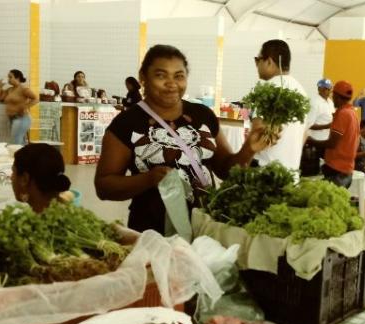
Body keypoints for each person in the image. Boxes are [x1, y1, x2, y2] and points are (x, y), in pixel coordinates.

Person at [95, 44, 272, 234]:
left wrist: (249, 149)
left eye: (179, 76)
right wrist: (147, 179)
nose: (171, 84)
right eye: (161, 75)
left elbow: (225, 170)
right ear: (143, 77)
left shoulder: (202, 115)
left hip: (207, 225)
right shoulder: (127, 123)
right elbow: (104, 186)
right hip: (153, 231)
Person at [252, 39, 307, 170]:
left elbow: (257, 132)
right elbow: (304, 134)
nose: (257, 65)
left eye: (257, 60)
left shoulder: (269, 89)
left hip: (266, 173)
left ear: (269, 62)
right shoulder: (300, 90)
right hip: (290, 173)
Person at [306, 81, 359, 188]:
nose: (331, 96)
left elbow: (332, 143)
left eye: (332, 94)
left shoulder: (343, 114)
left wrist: (310, 140)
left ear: (337, 97)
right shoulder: (352, 112)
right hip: (345, 166)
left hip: (337, 168)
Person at [11, 143, 71, 213]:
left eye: (13, 172)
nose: (11, 178)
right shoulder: (66, 214)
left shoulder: (34, 221)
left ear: (24, 179)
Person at [300, 78, 334, 176]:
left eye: (329, 89)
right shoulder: (314, 103)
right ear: (319, 89)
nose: (327, 91)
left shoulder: (330, 102)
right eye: (325, 89)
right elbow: (309, 125)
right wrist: (327, 126)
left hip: (326, 140)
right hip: (315, 142)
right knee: (312, 171)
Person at [0, 69, 38, 144]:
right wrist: (0, 87)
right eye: (8, 77)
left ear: (17, 78)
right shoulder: (10, 90)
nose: (8, 79)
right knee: (19, 142)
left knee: (16, 142)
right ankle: (24, 155)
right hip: (12, 119)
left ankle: (19, 155)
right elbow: (0, 98)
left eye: (10, 77)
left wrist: (26, 107)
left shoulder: (23, 89)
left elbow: (36, 99)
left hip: (21, 118)